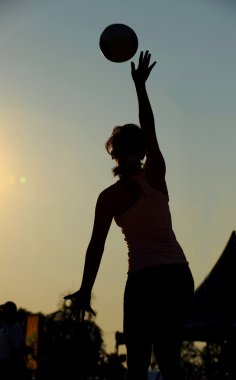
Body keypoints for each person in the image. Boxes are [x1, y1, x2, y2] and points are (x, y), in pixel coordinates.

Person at [65, 51, 194, 380]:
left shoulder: (149, 177)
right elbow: (96, 245)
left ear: (136, 153)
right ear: (119, 153)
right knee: (147, 362)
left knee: (160, 360)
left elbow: (150, 127)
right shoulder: (122, 191)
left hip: (160, 277)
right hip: (167, 277)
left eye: (131, 149)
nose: (127, 155)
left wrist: (140, 87)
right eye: (123, 150)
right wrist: (84, 288)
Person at [0, 301, 24, 380]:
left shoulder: (15, 329)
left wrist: (10, 369)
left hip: (7, 367)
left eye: (4, 311)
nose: (2, 313)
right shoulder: (4, 327)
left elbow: (16, 351)